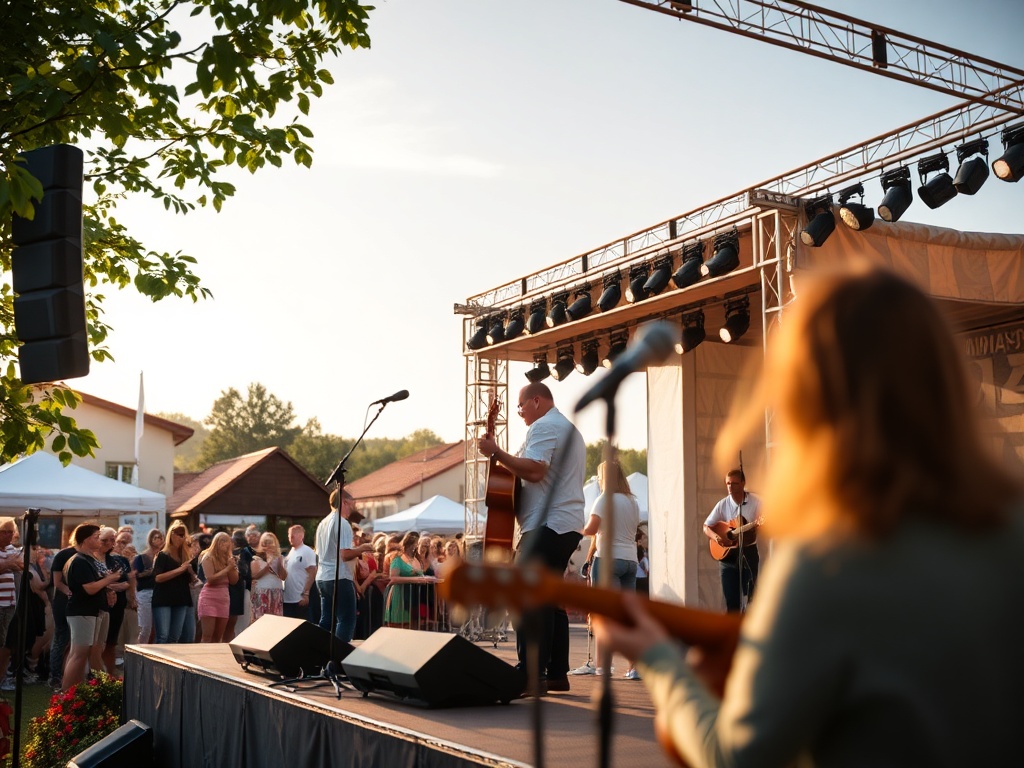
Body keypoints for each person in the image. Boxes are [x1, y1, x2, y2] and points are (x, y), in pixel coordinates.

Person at [593, 267, 1024, 768]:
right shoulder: (1010, 534)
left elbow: (738, 756)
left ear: (807, 397)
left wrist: (659, 660)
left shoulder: (829, 562)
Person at [477, 381, 586, 694]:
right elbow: (521, 470)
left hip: (546, 524)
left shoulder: (543, 426)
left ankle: (531, 674)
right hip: (566, 525)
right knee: (550, 598)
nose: (519, 412)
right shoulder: (567, 429)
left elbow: (536, 471)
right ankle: (556, 673)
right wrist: (500, 454)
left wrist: (497, 452)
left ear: (537, 401)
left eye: (521, 405)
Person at [573, 460, 641, 679]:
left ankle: (602, 666)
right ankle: (634, 667)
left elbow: (591, 529)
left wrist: (576, 528)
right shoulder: (632, 501)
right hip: (630, 561)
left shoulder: (603, 499)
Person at [62, 524, 122, 690]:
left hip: (91, 611)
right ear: (86, 540)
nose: (99, 540)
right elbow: (89, 588)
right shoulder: (79, 561)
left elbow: (95, 584)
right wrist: (110, 579)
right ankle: (66, 693)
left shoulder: (88, 559)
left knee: (84, 653)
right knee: (78, 654)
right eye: (96, 537)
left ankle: (76, 690)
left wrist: (107, 588)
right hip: (82, 611)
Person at [314, 490, 372, 642]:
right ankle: (340, 655)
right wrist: (362, 548)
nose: (353, 507)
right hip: (338, 576)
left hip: (323, 577)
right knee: (346, 620)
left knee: (326, 620)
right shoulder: (343, 523)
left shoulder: (323, 523)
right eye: (352, 503)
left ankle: (319, 652)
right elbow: (344, 555)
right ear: (344, 502)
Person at [703, 468, 762, 612]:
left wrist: (757, 527)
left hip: (748, 552)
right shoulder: (723, 504)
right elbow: (706, 526)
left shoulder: (756, 501)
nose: (730, 487)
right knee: (731, 601)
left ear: (743, 483)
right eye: (728, 483)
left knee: (751, 598)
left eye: (734, 483)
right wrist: (716, 537)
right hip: (727, 557)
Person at [152, 522, 197, 644]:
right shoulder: (163, 555)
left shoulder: (185, 556)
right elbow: (158, 578)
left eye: (183, 535)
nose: (181, 538)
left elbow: (190, 580)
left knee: (174, 636)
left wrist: (191, 573)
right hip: (164, 598)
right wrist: (180, 570)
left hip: (181, 598)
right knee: (163, 636)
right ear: (171, 535)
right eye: (179, 535)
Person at [383, 531, 435, 628]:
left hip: (414, 597)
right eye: (414, 543)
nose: (416, 546)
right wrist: (416, 580)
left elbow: (420, 575)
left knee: (414, 627)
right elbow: (393, 578)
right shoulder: (397, 558)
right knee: (399, 626)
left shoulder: (416, 559)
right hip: (400, 595)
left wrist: (428, 579)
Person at [197, 532, 239, 642]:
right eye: (222, 540)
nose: (225, 544)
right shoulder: (208, 557)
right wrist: (227, 569)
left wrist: (231, 565)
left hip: (223, 598)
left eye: (227, 541)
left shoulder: (228, 559)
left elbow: (234, 581)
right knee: (207, 637)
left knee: (217, 637)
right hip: (209, 597)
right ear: (216, 542)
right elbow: (210, 579)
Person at [0, 518, 23, 685]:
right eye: (3, 532)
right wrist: (9, 563)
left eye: (10, 532)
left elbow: (21, 565)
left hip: (10, 603)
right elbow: (13, 564)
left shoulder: (11, 549)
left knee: (5, 641)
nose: (8, 535)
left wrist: (7, 564)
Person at [132, 528, 163, 644]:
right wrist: (149, 572)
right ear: (150, 539)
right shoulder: (141, 557)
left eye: (160, 538)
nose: (158, 540)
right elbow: (135, 575)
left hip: (160, 592)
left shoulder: (164, 556)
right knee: (145, 627)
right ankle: (140, 649)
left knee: (160, 628)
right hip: (145, 592)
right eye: (155, 538)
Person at [250, 532, 286, 622]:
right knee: (260, 619)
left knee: (275, 620)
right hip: (262, 591)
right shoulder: (256, 558)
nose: (268, 545)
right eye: (265, 542)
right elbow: (255, 576)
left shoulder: (279, 558)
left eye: (271, 542)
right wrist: (268, 565)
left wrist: (278, 562)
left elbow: (283, 577)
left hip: (276, 591)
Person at [282, 525, 316, 620]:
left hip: (299, 599)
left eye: (293, 535)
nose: (290, 537)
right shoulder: (291, 552)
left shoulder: (307, 551)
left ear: (301, 536)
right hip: (287, 599)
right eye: (289, 535)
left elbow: (312, 572)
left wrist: (306, 593)